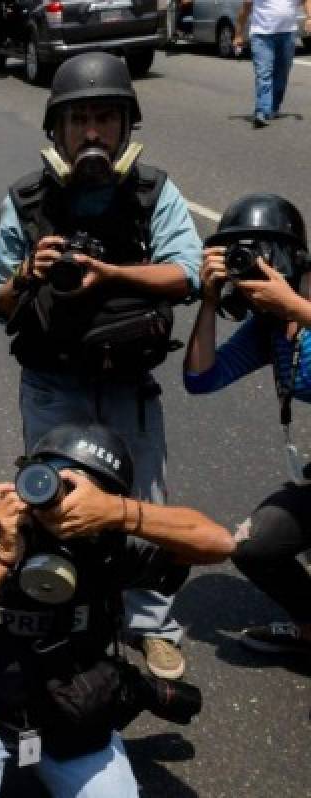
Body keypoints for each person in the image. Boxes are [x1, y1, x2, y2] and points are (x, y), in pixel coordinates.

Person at [0, 52, 203, 681]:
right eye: (78, 120)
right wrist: (27, 272)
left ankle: (152, 625)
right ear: (57, 132)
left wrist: (110, 274)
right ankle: (63, 605)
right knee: (53, 503)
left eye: (106, 118)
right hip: (53, 382)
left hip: (129, 383)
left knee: (143, 503)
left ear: (127, 126)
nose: (93, 134)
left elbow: (186, 271)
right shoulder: (27, 201)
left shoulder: (154, 192)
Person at [0, 423, 233, 797]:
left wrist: (121, 514)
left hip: (72, 699)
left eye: (84, 492)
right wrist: (1, 555)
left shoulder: (114, 540)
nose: (62, 504)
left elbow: (220, 544)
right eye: (53, 483)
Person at [184, 194, 311, 656]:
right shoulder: (270, 327)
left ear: (293, 257)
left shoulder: (293, 310)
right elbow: (200, 378)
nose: (251, 267)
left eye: (261, 253)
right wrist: (208, 300)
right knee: (253, 546)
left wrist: (298, 307)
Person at [234, 0, 311, 127]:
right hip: (261, 35)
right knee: (263, 73)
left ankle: (273, 108)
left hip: (287, 35)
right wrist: (238, 34)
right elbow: (245, 9)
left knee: (282, 73)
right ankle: (262, 112)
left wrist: (309, 17)